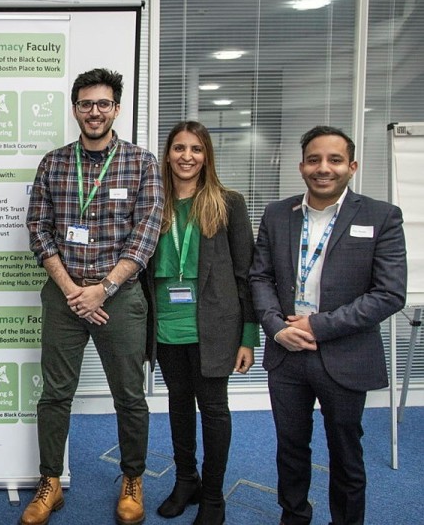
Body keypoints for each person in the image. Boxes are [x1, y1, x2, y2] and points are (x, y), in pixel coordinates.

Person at [23, 68, 163, 525]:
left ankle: (133, 478)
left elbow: (144, 237)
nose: (94, 111)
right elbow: (38, 229)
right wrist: (71, 290)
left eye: (103, 103)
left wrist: (102, 290)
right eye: (86, 104)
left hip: (118, 297)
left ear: (116, 109)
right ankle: (50, 482)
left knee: (129, 396)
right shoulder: (54, 163)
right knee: (55, 395)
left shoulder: (141, 163)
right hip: (64, 297)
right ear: (76, 109)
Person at [249, 126, 406, 525]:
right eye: (314, 159)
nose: (323, 168)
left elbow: (388, 294)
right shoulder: (277, 214)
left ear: (352, 166)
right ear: (301, 166)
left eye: (335, 160)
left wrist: (317, 326)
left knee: (345, 451)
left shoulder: (381, 216)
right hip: (286, 352)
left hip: (345, 352)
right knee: (290, 448)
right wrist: (276, 327)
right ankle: (294, 516)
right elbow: (260, 277)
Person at [146, 121, 258, 525]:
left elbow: (247, 275)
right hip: (166, 324)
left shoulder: (228, 203)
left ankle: (212, 496)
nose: (187, 156)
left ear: (206, 155)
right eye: (179, 148)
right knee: (178, 403)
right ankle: (185, 481)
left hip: (214, 325)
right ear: (168, 154)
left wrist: (248, 336)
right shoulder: (152, 203)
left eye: (196, 149)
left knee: (213, 409)